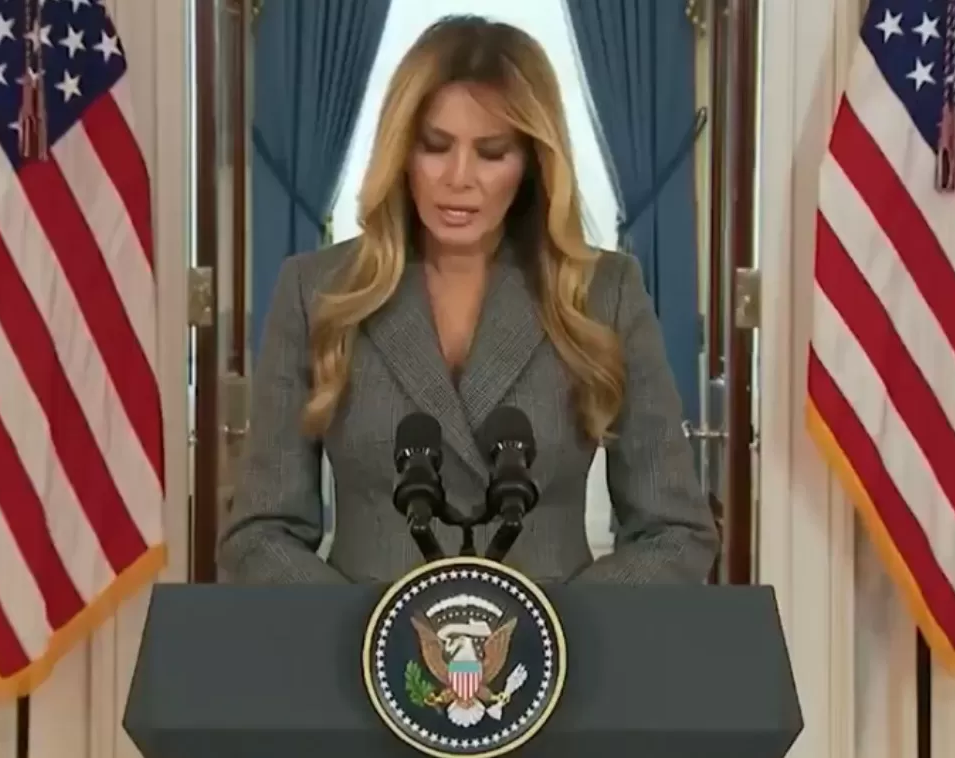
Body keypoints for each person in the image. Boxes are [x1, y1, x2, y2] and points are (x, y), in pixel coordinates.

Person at [218, 15, 718, 585]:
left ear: (532, 161)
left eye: (491, 152)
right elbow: (261, 532)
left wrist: (559, 626)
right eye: (435, 146)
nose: (459, 178)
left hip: (558, 641)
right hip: (363, 640)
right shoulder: (317, 290)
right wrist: (362, 627)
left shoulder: (605, 293)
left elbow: (675, 532)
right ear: (401, 151)